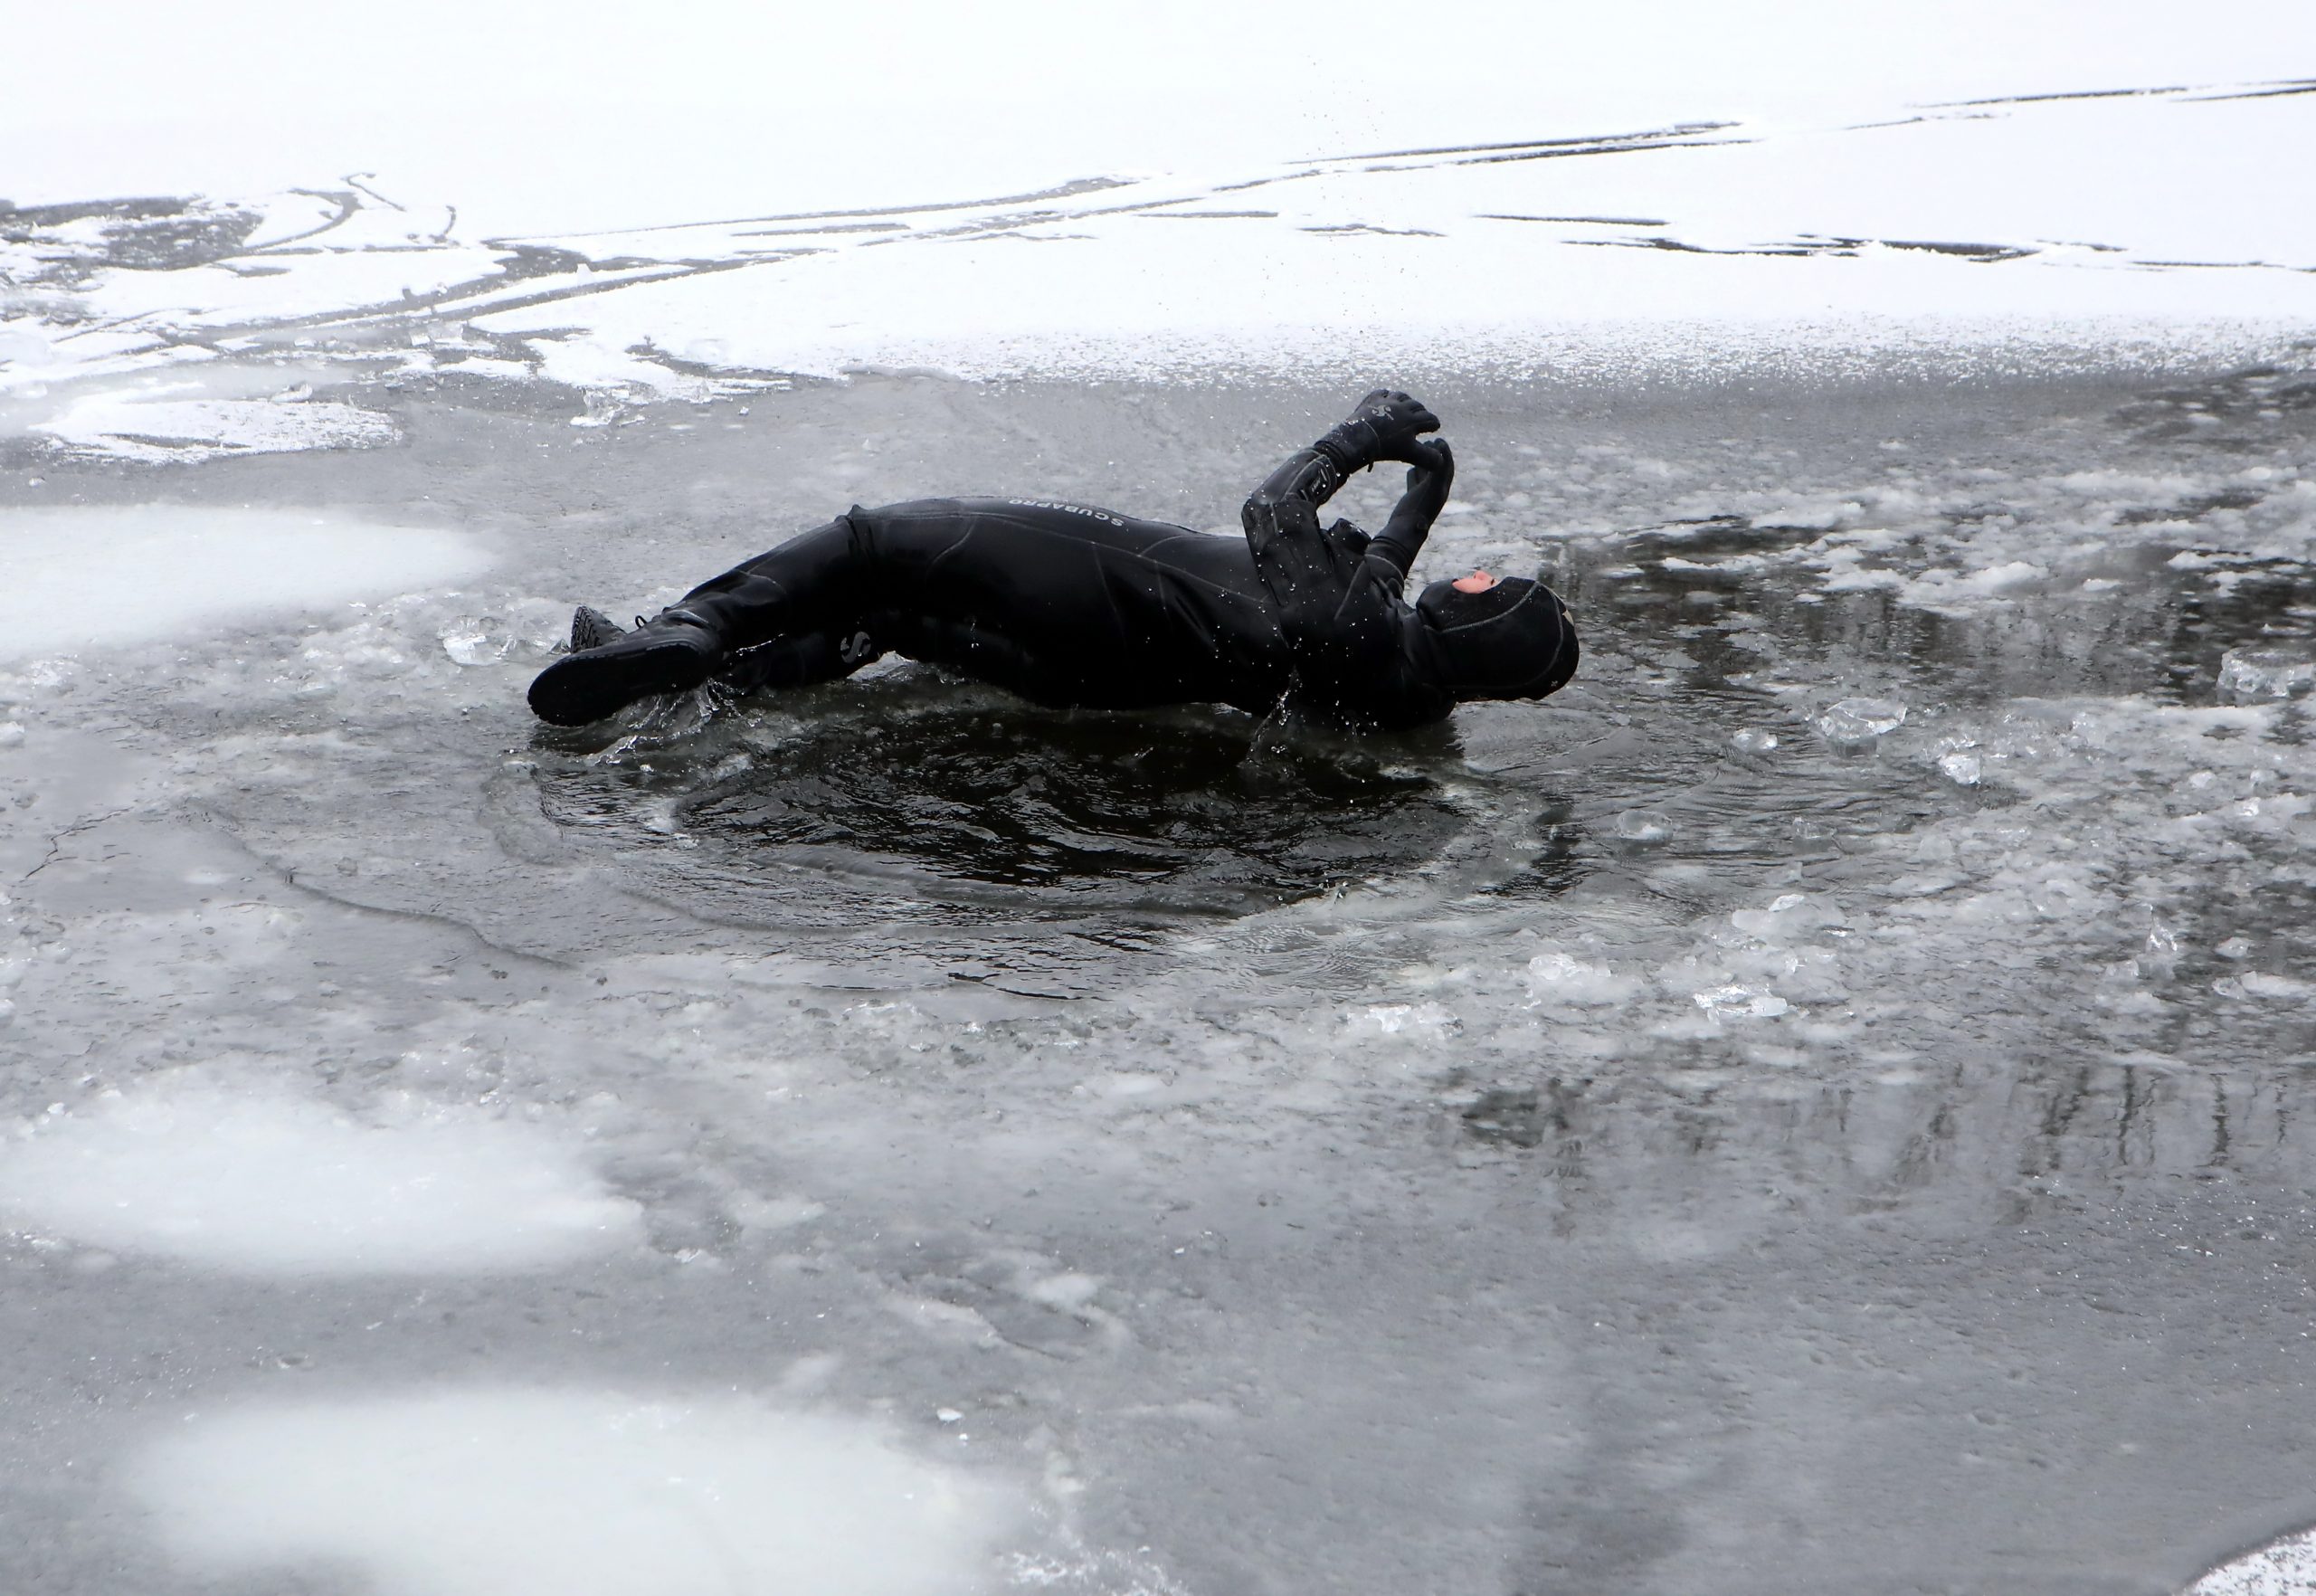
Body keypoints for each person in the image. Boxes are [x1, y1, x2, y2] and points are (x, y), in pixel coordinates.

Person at [526, 389, 1577, 733]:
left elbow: (1272, 510)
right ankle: (718, 691)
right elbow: (1384, 586)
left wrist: (1361, 434)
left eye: (1486, 588)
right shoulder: (1400, 688)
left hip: (1083, 579)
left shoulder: (1351, 618)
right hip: (1094, 675)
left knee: (869, 546)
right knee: (894, 621)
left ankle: (687, 634)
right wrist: (1420, 495)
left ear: (1472, 610)